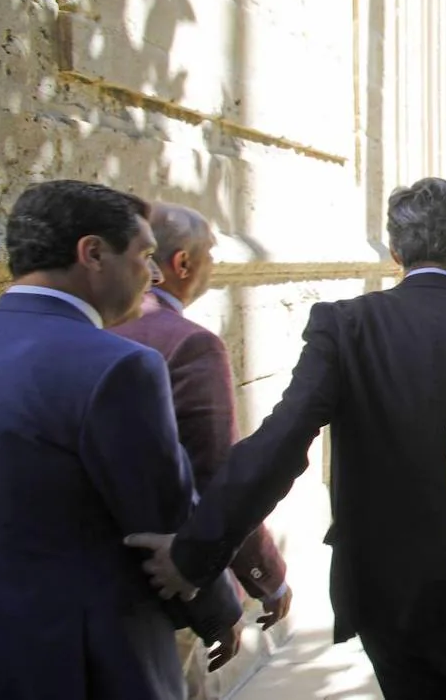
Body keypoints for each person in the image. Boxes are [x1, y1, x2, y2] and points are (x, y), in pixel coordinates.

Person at [128, 178, 446, 699]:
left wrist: (195, 552)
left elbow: (280, 441)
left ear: (393, 251)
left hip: (381, 587)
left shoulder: (345, 325)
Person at [0, 181, 243, 700]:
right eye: (145, 255)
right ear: (93, 253)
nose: (151, 274)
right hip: (84, 660)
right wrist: (219, 611)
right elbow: (162, 518)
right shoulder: (121, 367)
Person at [110, 203, 291, 700]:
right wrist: (265, 579)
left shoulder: (91, 329)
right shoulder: (188, 345)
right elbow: (218, 478)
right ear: (182, 264)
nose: (216, 262)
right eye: (211, 252)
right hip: (163, 588)